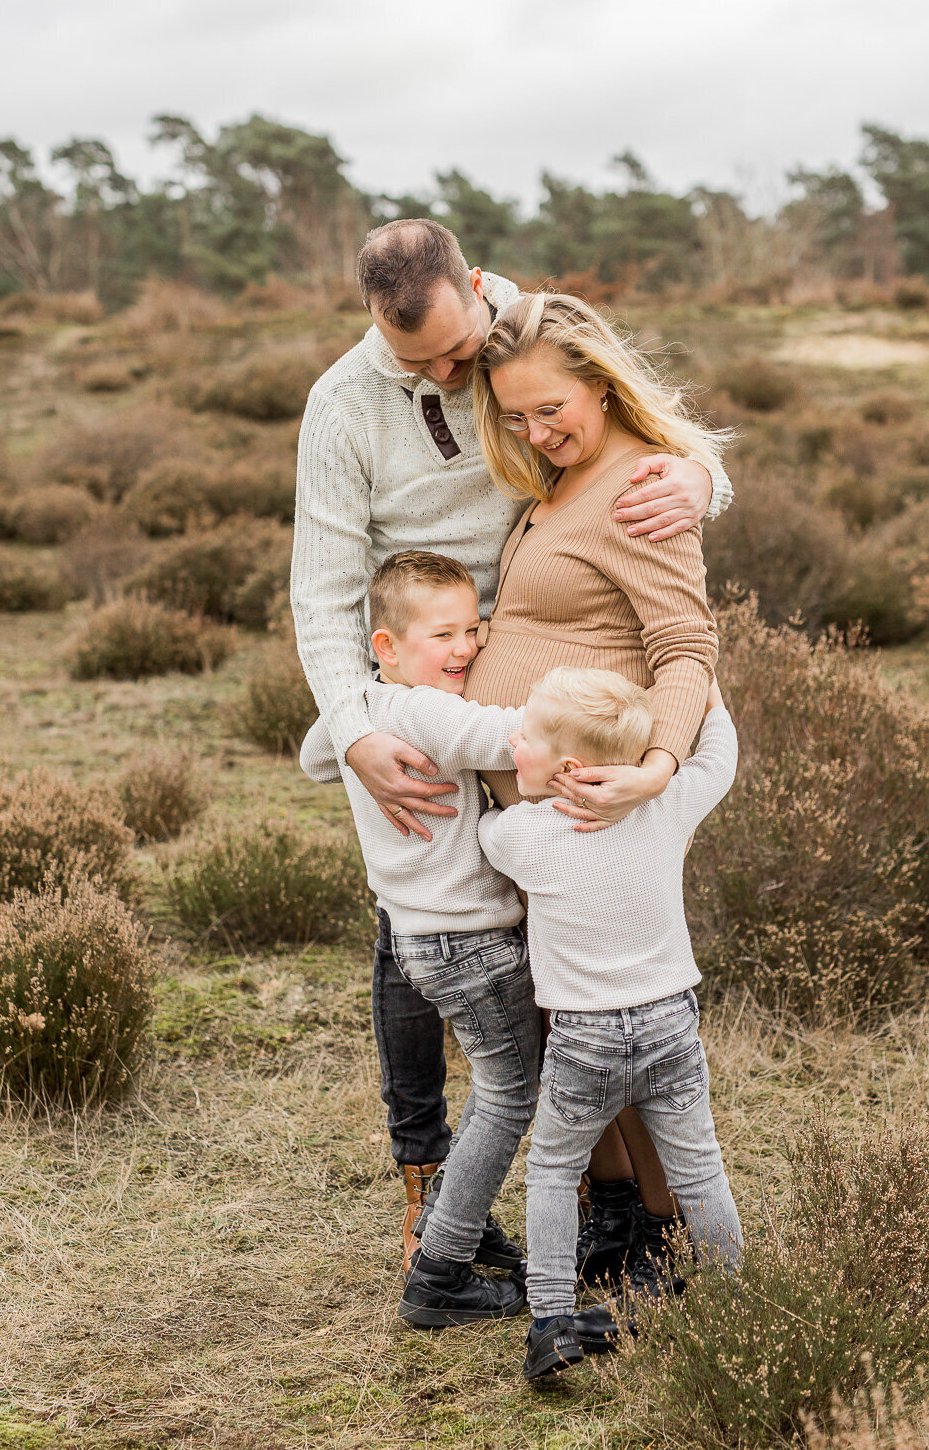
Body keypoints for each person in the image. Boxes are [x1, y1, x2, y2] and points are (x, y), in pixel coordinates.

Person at [290, 219, 733, 1258]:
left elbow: (633, 430)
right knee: (421, 927)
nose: (452, 376)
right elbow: (322, 592)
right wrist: (353, 734)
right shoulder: (343, 406)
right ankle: (432, 1182)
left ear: (479, 288)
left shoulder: (525, 340)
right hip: (417, 693)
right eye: (420, 364)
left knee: (565, 972)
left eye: (458, 351)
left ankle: (620, 1208)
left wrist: (701, 480)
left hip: (540, 724)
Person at [464, 288, 732, 1292]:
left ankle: (668, 1234)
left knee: (616, 1028)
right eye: (515, 416)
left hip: (594, 807)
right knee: (571, 1020)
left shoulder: (638, 488)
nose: (536, 431)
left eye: (551, 408)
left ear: (602, 383)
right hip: (547, 811)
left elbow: (684, 644)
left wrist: (655, 770)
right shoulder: (563, 479)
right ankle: (619, 1216)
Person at [477, 668, 743, 1381]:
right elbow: (718, 761)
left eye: (525, 734)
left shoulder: (523, 834)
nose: (512, 741)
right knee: (700, 1168)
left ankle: (552, 1322)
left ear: (567, 767)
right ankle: (736, 1300)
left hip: (584, 1039)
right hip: (670, 1026)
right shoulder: (666, 806)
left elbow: (486, 829)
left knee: (554, 1171)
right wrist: (707, 693)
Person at [300, 550, 539, 1325]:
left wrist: (357, 729)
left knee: (499, 1088)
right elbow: (514, 739)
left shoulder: (366, 711)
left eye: (474, 628)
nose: (466, 648)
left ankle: (449, 1225)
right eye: (444, 635)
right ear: (388, 647)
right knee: (510, 1092)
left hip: (415, 941)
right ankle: (440, 1272)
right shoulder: (431, 712)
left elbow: (313, 755)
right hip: (471, 940)